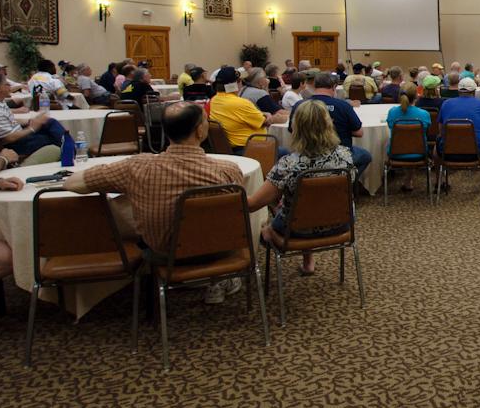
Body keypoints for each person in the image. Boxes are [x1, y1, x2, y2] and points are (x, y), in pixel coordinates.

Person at [64, 102, 247, 303]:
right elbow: (238, 214)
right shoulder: (228, 170)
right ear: (200, 130)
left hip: (163, 254)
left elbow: (73, 183)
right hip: (220, 251)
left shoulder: (137, 167)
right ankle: (218, 280)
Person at [247, 99, 357, 276]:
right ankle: (308, 262)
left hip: (296, 232)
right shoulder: (346, 157)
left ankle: (269, 234)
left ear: (296, 128)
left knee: (272, 220)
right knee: (312, 203)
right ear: (330, 125)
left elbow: (252, 204)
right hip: (341, 225)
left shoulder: (289, 165)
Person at [291, 72, 372, 176]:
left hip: (305, 154)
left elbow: (292, 129)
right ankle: (347, 183)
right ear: (334, 87)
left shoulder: (300, 105)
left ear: (314, 85)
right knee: (365, 156)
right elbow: (359, 133)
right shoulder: (343, 106)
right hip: (338, 153)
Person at [437, 77, 480, 193]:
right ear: (474, 91)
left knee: (436, 146)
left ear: (458, 91)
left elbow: (441, 132)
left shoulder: (446, 104)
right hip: (477, 154)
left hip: (448, 153)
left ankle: (439, 182)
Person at [0, 69, 66, 164]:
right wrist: (32, 128)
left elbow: (9, 121)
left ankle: (68, 148)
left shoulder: (0, 102)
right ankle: (69, 151)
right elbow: (8, 138)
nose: (10, 86)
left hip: (20, 134)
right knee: (52, 138)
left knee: (49, 122)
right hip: (17, 144)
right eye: (7, 84)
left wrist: (30, 121)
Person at [209, 66, 282, 152]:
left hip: (232, 147)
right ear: (235, 84)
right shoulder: (241, 103)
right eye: (240, 81)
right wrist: (268, 116)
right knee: (285, 152)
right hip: (249, 147)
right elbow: (266, 122)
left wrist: (263, 113)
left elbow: (238, 114)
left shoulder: (214, 100)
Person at [385, 80, 432, 193]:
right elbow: (426, 133)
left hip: (395, 153)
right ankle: (408, 179)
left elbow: (391, 127)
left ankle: (407, 180)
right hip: (419, 152)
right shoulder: (424, 114)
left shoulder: (392, 112)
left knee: (398, 142)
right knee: (413, 142)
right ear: (416, 96)